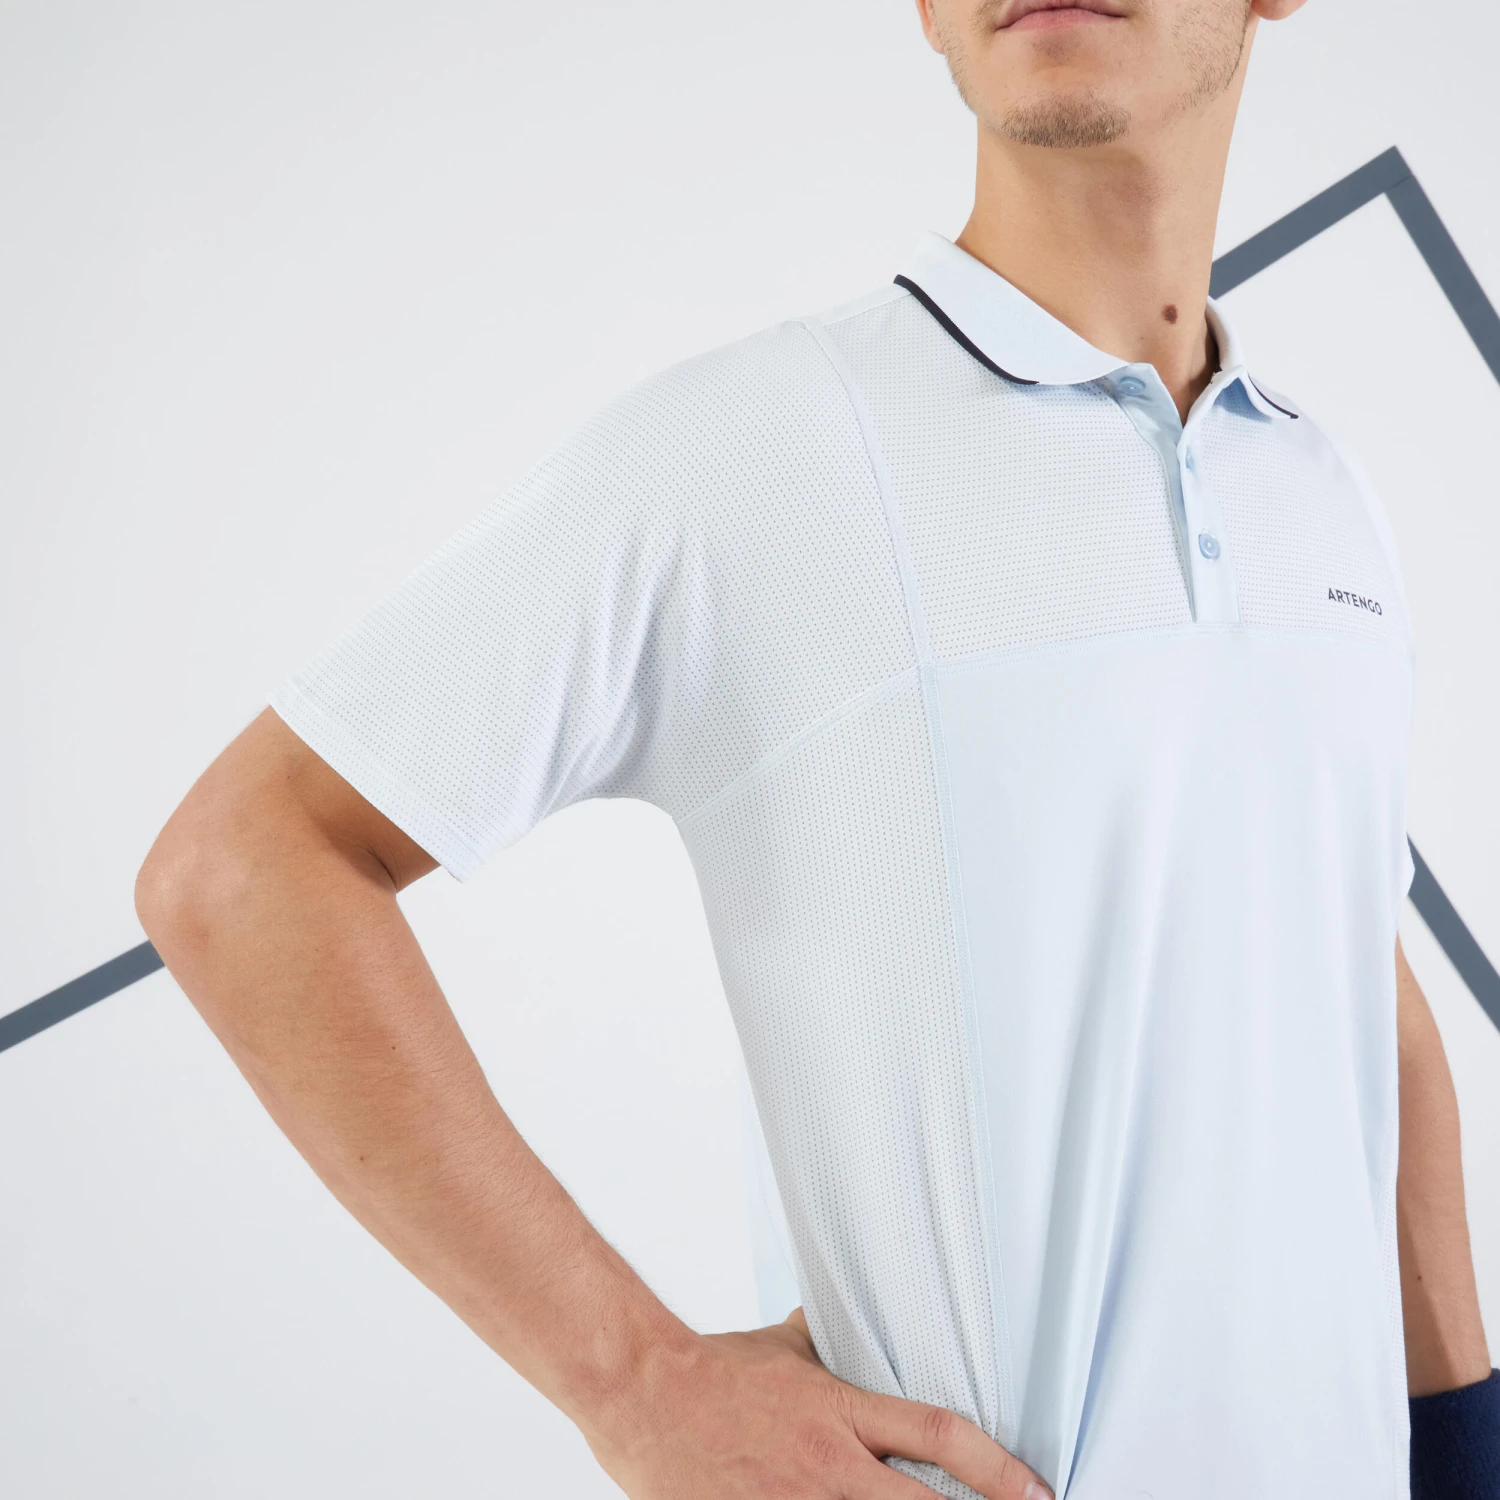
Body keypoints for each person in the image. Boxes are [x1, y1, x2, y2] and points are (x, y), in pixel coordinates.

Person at [134, 1, 1497, 1496]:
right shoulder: (757, 447)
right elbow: (245, 864)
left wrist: (1464, 1446)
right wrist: (634, 1382)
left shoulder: (1323, 492)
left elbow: (1354, 987)